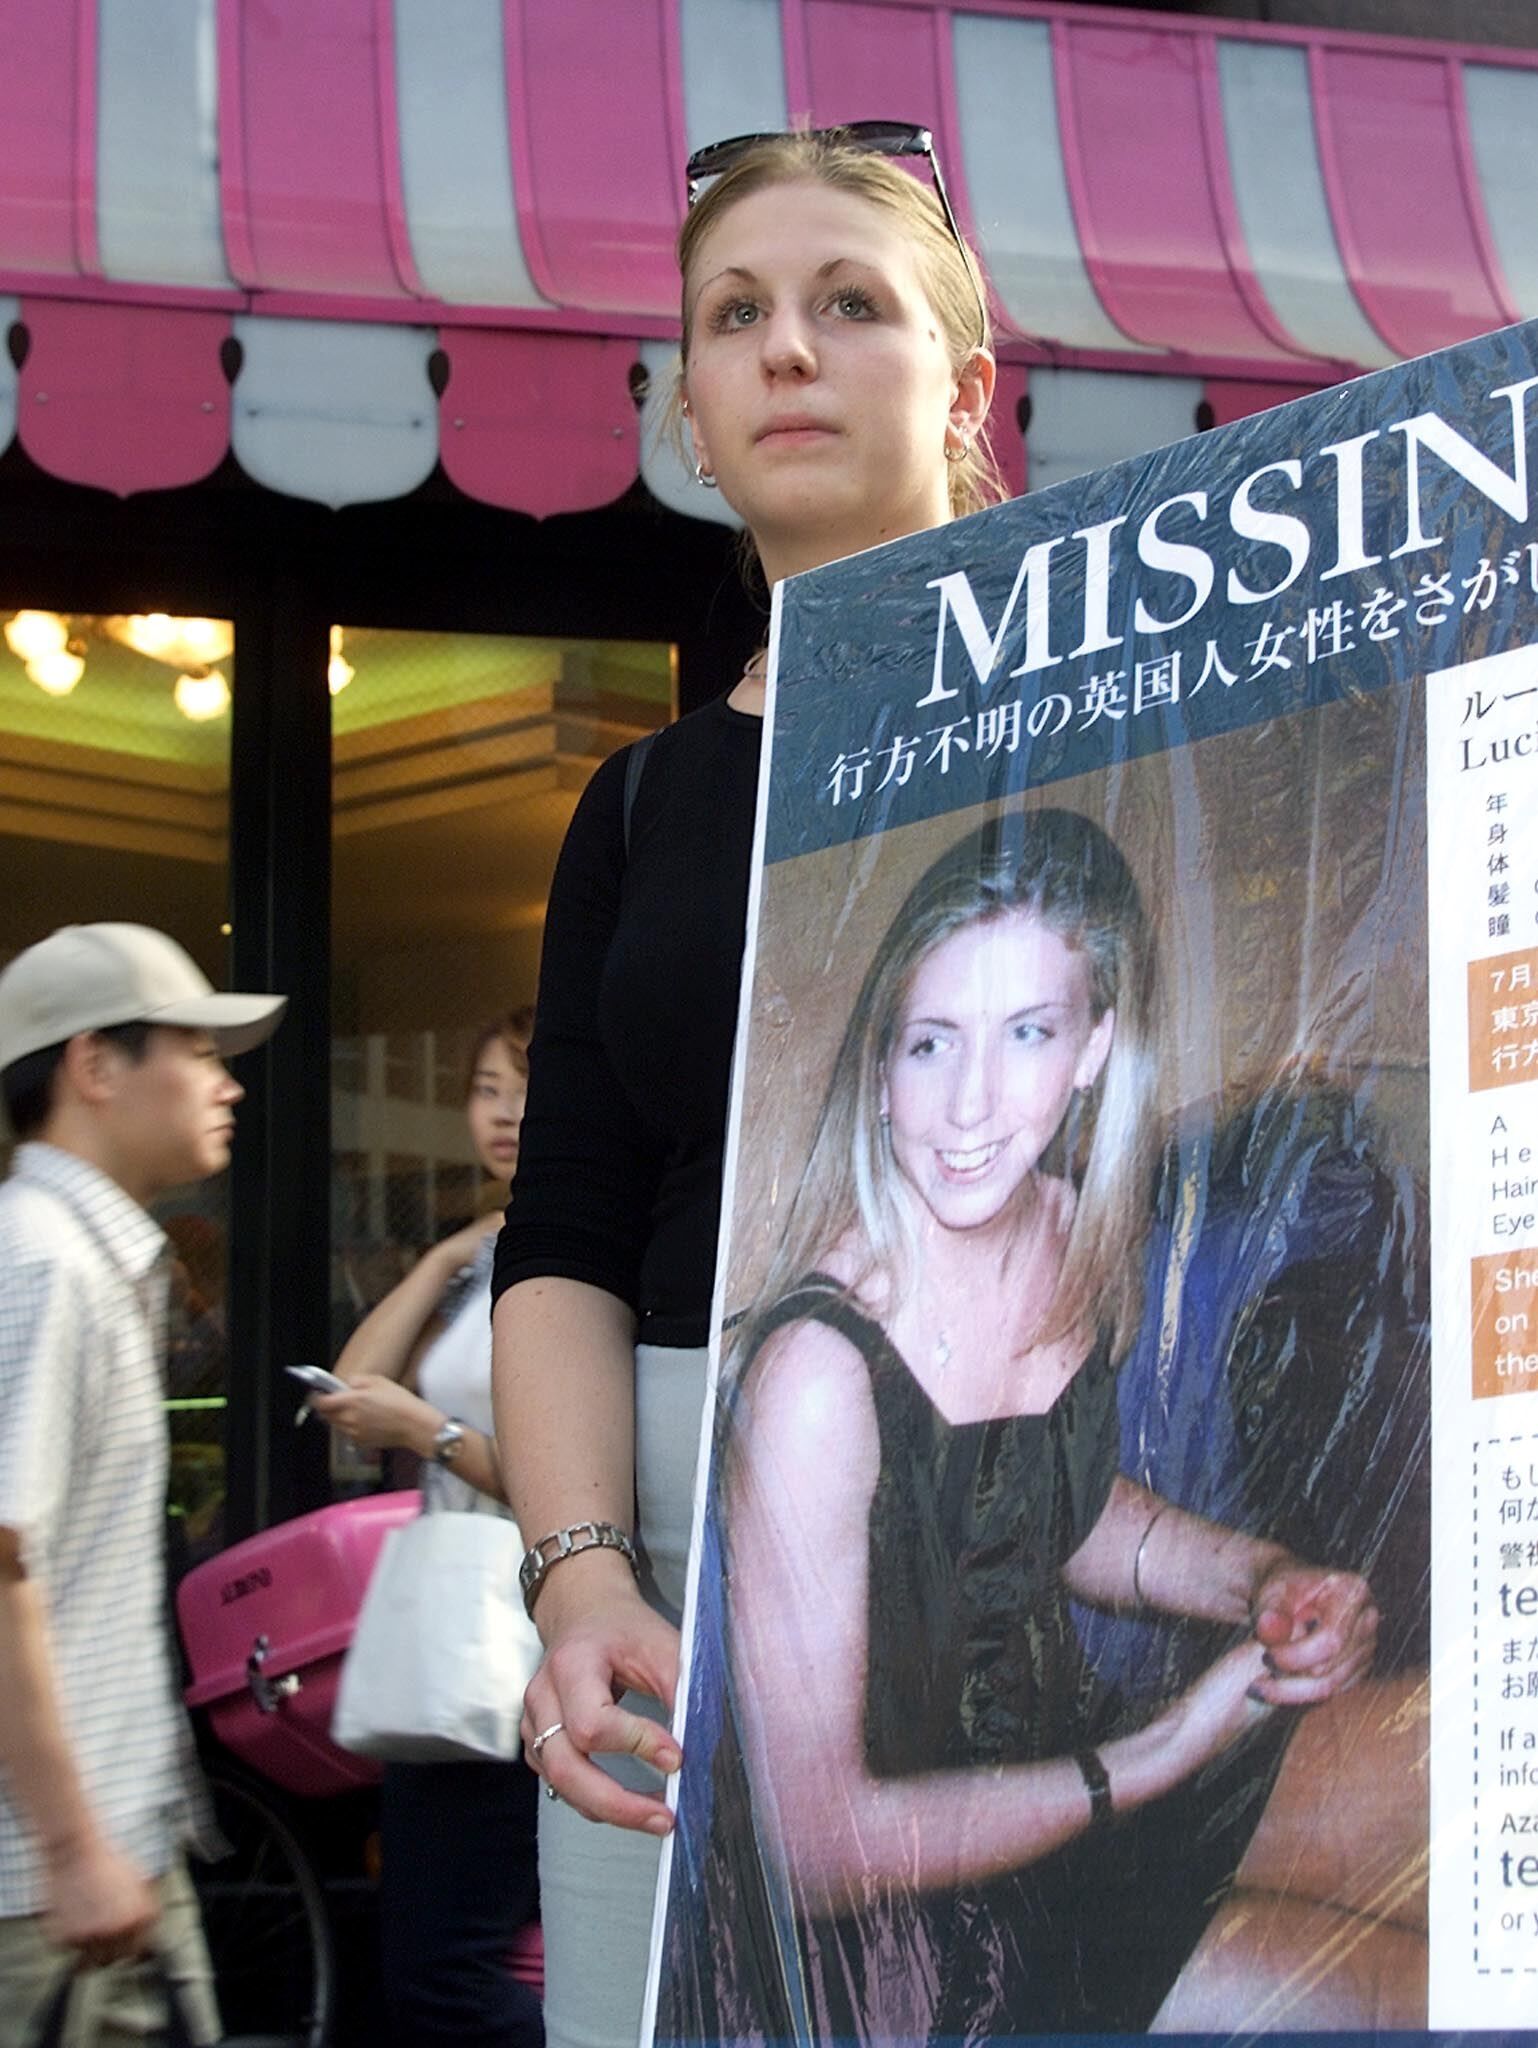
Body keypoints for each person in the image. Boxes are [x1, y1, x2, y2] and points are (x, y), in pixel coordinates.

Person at [489, 122, 1005, 2048]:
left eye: (845, 305)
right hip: (677, 1569)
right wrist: (579, 1570)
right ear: (692, 415)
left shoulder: (1147, 709)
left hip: (1038, 1510)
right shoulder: (637, 803)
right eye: (734, 316)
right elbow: (563, 1231)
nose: (784, 348)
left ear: (963, 388)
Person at [662, 809, 1378, 2040]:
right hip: (896, 1963)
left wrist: (1262, 1580)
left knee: (1451, 1840)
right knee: (1386, 1985)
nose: (970, 1106)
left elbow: (1058, 1509)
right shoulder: (814, 1374)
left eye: (1028, 1033)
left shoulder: (1064, 1234)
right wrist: (1160, 1753)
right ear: (880, 1063)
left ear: (1096, 1043)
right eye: (930, 1042)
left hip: (1061, 1840)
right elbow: (817, 1852)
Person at [0, 921, 285, 2047]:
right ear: (94, 1064)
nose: (225, 1082)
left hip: (98, 1856)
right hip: (46, 1881)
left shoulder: (80, 1255)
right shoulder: (42, 1262)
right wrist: (71, 1847)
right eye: (195, 1047)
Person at [308, 1011, 542, 2048]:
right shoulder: (487, 1250)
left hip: (523, 1632)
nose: (505, 1111)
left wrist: (429, 1431)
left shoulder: (572, 1259)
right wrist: (450, 1247)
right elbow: (351, 1382)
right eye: (487, 1087)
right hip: (453, 1635)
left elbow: (569, 1486)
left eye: (527, 1088)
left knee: (441, 1972)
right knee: (427, 1962)